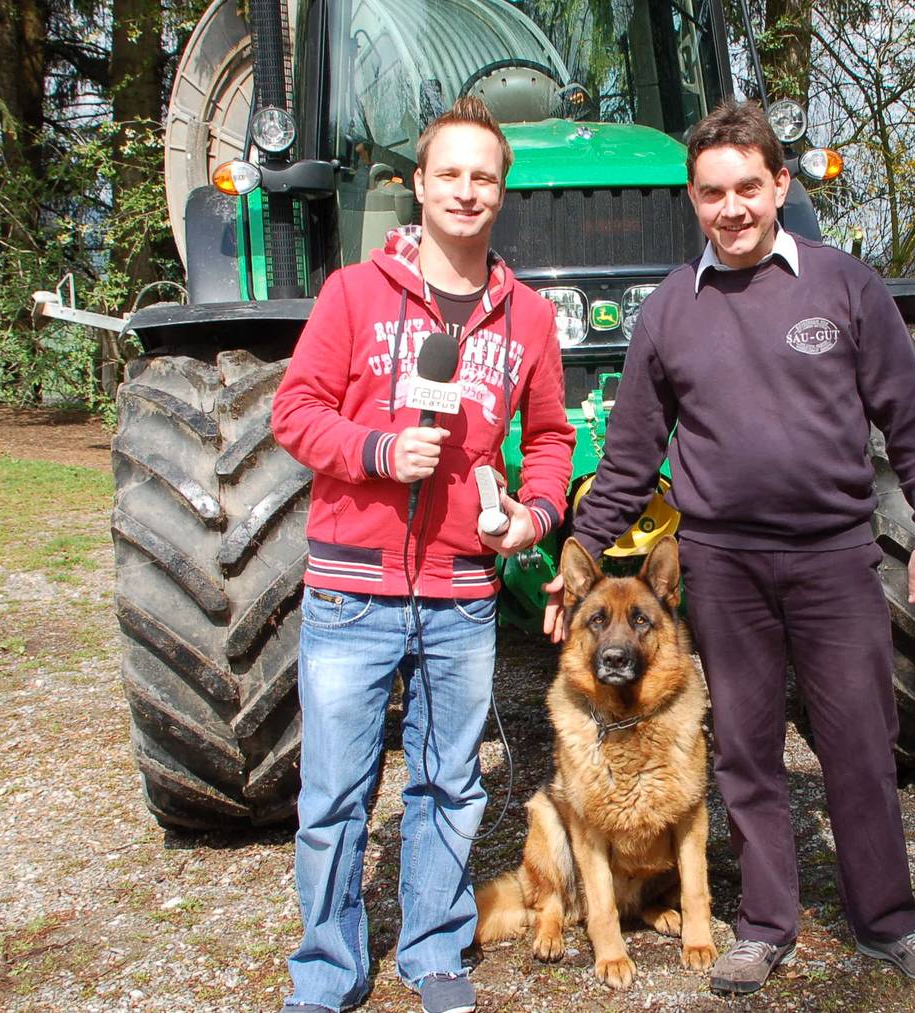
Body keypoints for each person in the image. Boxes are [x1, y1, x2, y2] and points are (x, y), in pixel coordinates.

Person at [550, 100, 915, 995]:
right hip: (724, 566)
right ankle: (763, 924)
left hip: (832, 557)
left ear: (781, 184)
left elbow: (911, 419)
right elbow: (628, 455)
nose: (732, 208)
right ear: (692, 201)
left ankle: (890, 922)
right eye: (712, 193)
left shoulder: (843, 286)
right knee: (742, 748)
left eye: (749, 186)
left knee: (860, 739)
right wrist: (576, 556)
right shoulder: (672, 307)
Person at [272, 96, 574, 1013]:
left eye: (484, 176)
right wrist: (373, 450)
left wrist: (534, 514)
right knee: (332, 798)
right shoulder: (353, 294)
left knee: (449, 784)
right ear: (419, 185)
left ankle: (434, 951)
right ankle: (327, 970)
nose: (467, 190)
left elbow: (554, 436)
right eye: (450, 172)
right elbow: (294, 411)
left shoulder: (525, 316)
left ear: (502, 192)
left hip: (460, 591)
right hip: (351, 592)